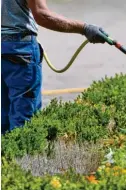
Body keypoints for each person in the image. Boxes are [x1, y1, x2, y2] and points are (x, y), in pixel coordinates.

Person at [1, 0, 107, 135]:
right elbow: (42, 15)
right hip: (19, 51)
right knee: (23, 123)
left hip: (6, 50)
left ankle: (5, 153)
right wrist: (84, 28)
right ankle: (20, 155)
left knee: (3, 116)